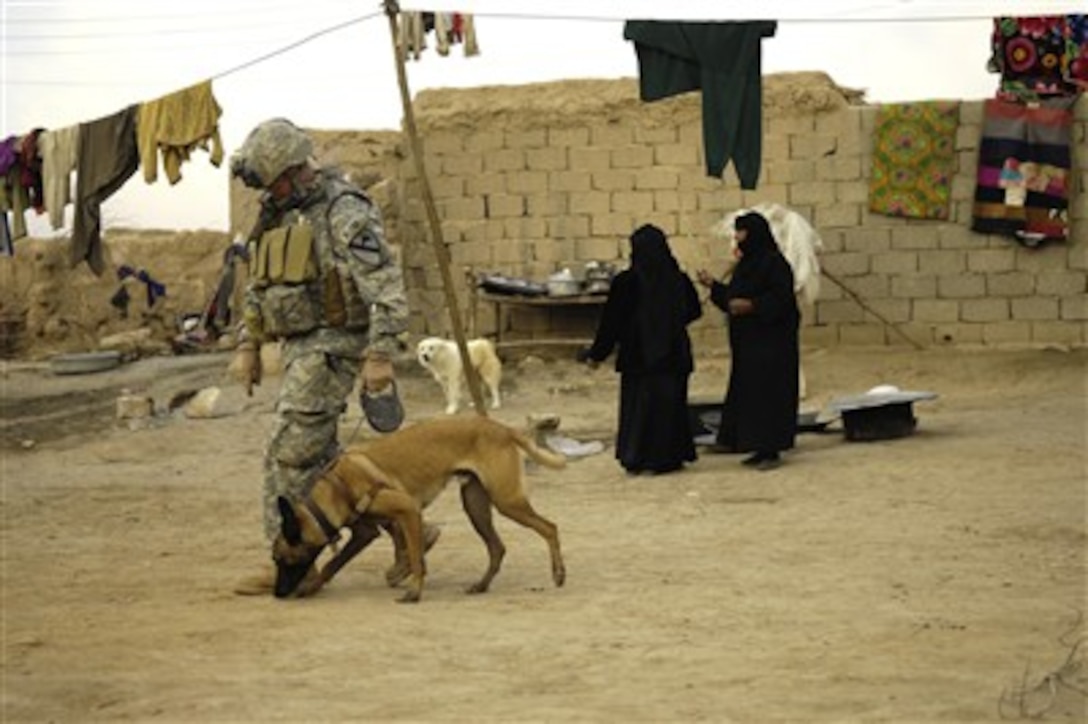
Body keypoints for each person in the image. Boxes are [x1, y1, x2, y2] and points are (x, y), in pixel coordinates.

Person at [228, 118, 433, 595]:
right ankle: (413, 531)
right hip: (299, 346)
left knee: (287, 453)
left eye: (274, 180)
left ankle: (286, 560)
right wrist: (248, 342)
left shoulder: (344, 210)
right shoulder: (276, 213)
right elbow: (260, 284)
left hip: (334, 347)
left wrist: (380, 354)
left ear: (297, 168)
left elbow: (385, 286)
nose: (269, 190)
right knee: (324, 459)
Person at [577, 223, 702, 475]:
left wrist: (596, 355)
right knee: (670, 407)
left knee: (640, 409)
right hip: (673, 356)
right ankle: (668, 457)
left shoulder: (626, 283)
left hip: (639, 357)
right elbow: (694, 310)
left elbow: (611, 323)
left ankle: (639, 457)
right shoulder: (678, 279)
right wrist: (669, 326)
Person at [696, 210, 800, 471]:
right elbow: (734, 298)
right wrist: (714, 287)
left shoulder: (775, 264)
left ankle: (770, 450)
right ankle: (750, 444)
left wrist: (753, 306)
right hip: (749, 345)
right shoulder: (747, 265)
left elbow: (782, 300)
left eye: (741, 232)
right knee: (749, 394)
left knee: (768, 396)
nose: (737, 237)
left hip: (771, 346)